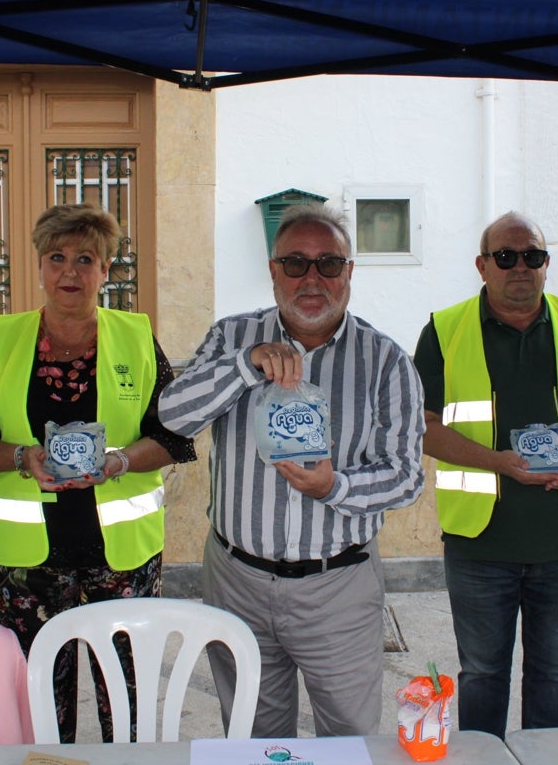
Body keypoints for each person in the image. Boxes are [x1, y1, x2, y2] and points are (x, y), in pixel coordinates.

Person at [159, 203, 425, 738]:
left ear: (349, 273)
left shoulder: (386, 360)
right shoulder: (232, 337)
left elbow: (406, 475)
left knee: (349, 736)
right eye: (295, 263)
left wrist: (337, 486)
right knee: (255, 735)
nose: (312, 278)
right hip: (237, 580)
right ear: (273, 269)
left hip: (339, 587)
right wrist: (245, 364)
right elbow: (173, 416)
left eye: (329, 264)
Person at [0, 204, 194, 743]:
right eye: (56, 258)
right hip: (29, 562)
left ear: (107, 270)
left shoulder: (136, 337)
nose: (70, 273)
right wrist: (20, 457)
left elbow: (174, 435)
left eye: (86, 259)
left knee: (124, 700)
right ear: (39, 265)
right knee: (38, 702)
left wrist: (121, 461)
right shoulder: (6, 340)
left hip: (121, 559)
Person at [413, 211, 558, 738]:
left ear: (546, 263)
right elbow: (421, 429)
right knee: (483, 677)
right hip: (478, 548)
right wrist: (497, 461)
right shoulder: (445, 330)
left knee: (554, 677)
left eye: (534, 256)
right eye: (506, 257)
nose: (521, 267)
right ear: (482, 265)